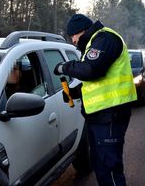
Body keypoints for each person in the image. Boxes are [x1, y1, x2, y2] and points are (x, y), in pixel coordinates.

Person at [54, 14, 137, 186]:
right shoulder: (94, 43)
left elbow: (91, 70)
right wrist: (76, 92)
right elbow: (97, 81)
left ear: (80, 31)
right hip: (99, 117)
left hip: (110, 116)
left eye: (73, 37)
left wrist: (64, 67)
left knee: (110, 168)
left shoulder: (105, 38)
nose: (73, 41)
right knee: (100, 167)